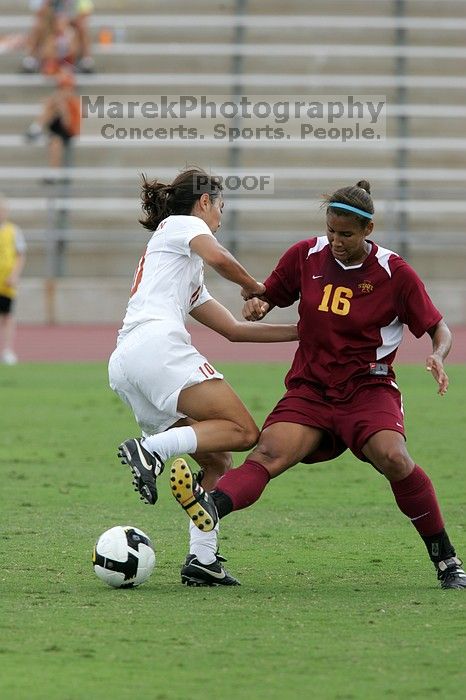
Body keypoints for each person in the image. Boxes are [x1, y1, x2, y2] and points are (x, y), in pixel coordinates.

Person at [170, 179, 466, 591]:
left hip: (368, 390)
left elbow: (438, 328)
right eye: (331, 230)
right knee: (269, 453)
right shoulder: (305, 256)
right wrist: (257, 304)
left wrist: (438, 353)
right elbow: (267, 295)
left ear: (368, 231)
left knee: (394, 458)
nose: (336, 241)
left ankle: (447, 560)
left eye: (345, 234)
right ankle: (210, 506)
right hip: (311, 390)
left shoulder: (394, 274)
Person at [108, 167, 297, 587]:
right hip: (157, 347)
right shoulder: (182, 224)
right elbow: (220, 257)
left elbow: (232, 330)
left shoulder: (180, 264)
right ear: (205, 201)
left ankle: (202, 559)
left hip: (127, 364)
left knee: (217, 460)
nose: (220, 218)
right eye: (221, 207)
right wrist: (257, 288)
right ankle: (151, 450)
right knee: (244, 431)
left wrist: (302, 332)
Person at [25, 70, 80, 171]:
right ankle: (35, 129)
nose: (63, 91)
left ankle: (53, 172)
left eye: (65, 87)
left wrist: (63, 108)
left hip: (68, 131)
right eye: (61, 88)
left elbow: (69, 125)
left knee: (55, 142)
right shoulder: (56, 100)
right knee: (51, 107)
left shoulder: (74, 103)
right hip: (57, 129)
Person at [0, 195, 27, 365]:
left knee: (8, 315)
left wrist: (15, 275)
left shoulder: (13, 231)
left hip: (6, 282)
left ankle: (8, 349)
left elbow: (20, 254)